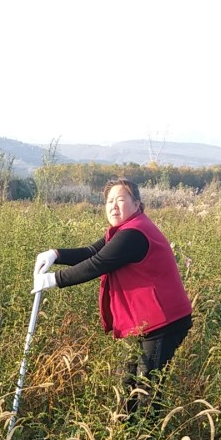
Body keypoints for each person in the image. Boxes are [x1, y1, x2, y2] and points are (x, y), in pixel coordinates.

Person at [32, 177, 192, 420]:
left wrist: (54, 280)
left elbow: (98, 264)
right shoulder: (124, 231)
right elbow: (91, 252)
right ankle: (128, 434)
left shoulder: (134, 235)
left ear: (137, 203)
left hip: (164, 323)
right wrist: (56, 254)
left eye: (120, 200)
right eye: (109, 201)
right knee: (130, 379)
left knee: (147, 386)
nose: (113, 206)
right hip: (147, 322)